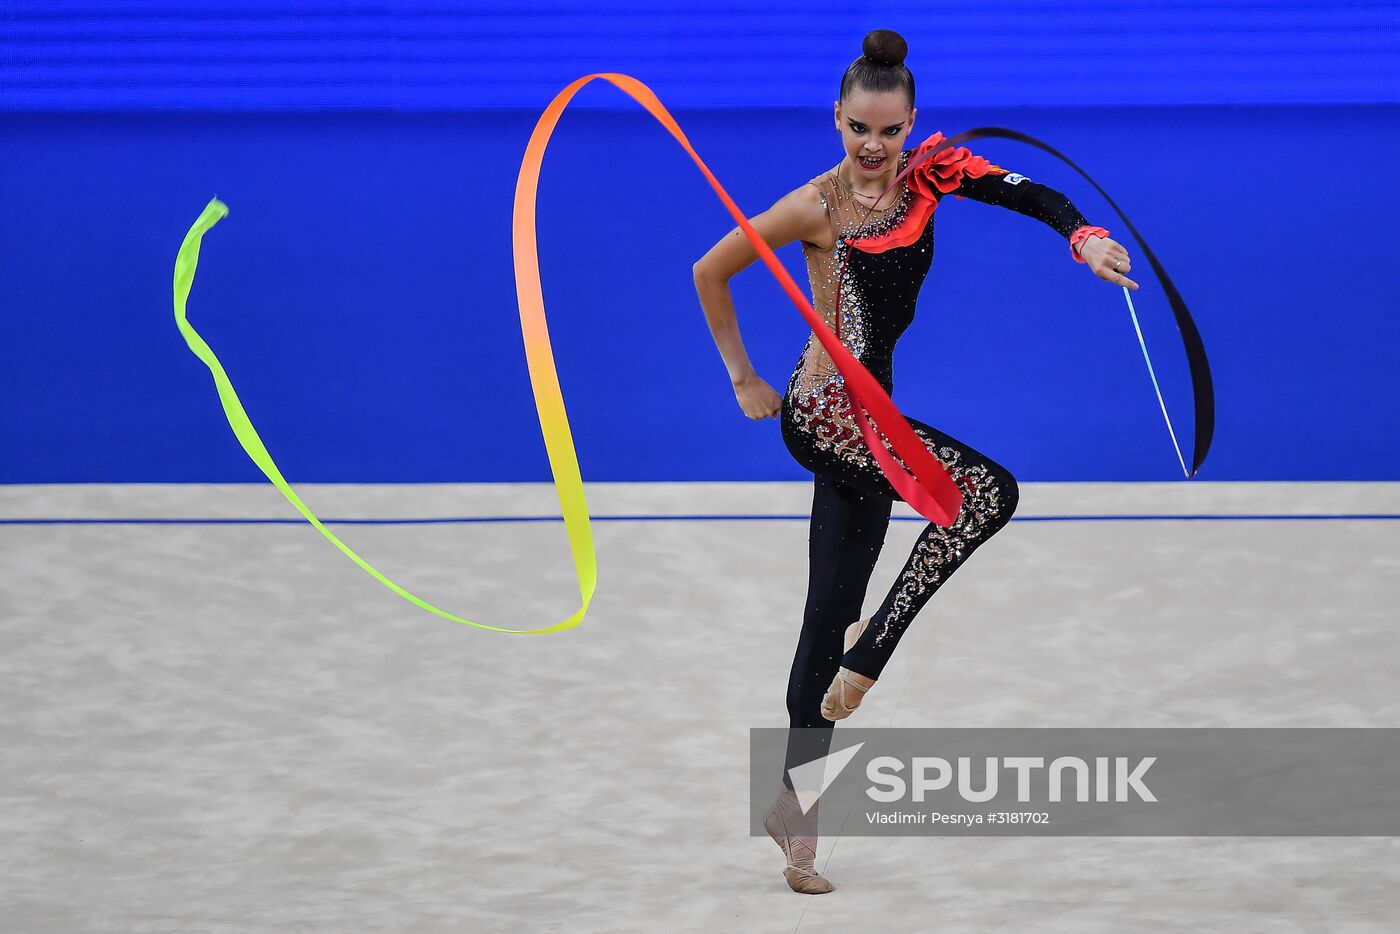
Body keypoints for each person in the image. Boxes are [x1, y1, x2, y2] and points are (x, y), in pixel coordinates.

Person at [691, 28, 1138, 894]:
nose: (872, 147)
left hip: (878, 420)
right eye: (859, 127)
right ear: (837, 116)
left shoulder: (930, 176)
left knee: (827, 610)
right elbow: (712, 270)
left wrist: (1079, 237)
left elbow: (1028, 192)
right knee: (983, 494)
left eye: (889, 131)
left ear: (911, 125)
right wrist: (742, 376)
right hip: (827, 414)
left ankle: (794, 803)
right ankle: (874, 654)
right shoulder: (812, 206)